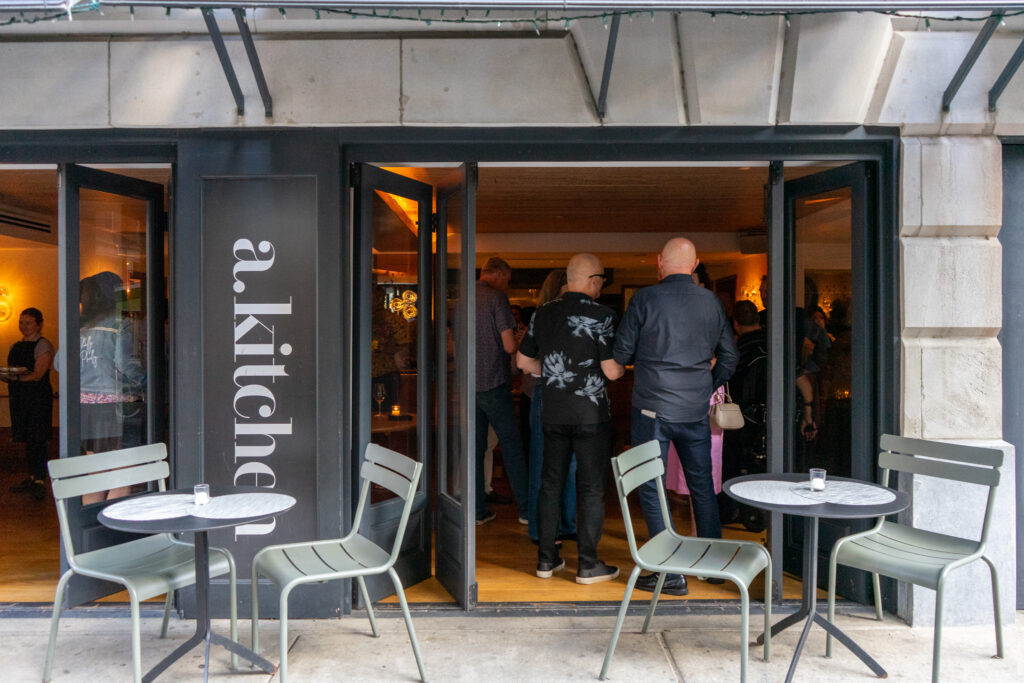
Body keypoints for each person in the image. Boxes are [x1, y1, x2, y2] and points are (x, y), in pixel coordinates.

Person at [613, 237, 738, 596]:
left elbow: (621, 353)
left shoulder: (644, 299)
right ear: (695, 264)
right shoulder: (711, 302)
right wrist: (705, 386)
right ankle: (713, 566)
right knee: (702, 485)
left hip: (652, 407)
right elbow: (730, 357)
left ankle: (667, 572)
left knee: (651, 485)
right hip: (694, 410)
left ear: (659, 262)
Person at [518, 253, 623, 583]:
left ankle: (546, 560)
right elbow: (611, 370)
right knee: (591, 488)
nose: (601, 286)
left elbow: (523, 361)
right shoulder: (603, 315)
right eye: (601, 280)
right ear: (592, 280)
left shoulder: (543, 313)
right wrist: (621, 369)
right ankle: (588, 565)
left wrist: (555, 373)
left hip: (553, 412)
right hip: (591, 415)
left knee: (550, 484)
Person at [79, 271, 146, 505]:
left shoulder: (80, 327)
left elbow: (59, 363)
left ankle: (90, 526)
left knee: (95, 476)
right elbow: (125, 364)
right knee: (123, 476)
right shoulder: (120, 324)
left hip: (86, 409)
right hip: (117, 407)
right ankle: (112, 526)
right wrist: (147, 382)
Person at [523, 269, 577, 544]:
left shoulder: (544, 316)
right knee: (558, 463)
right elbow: (523, 362)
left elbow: (525, 362)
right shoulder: (550, 317)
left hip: (550, 393)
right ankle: (552, 526)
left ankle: (556, 526)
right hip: (558, 394)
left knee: (555, 463)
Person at [474, 257, 528, 525]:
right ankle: (527, 510)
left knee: (476, 449)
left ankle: (477, 511)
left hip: (468, 385)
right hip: (494, 382)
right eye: (506, 278)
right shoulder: (496, 298)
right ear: (497, 273)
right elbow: (508, 346)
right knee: (512, 446)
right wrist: (517, 344)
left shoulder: (462, 299)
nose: (506, 284)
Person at [3, 308, 55, 500]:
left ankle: (40, 479)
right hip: (20, 398)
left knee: (37, 437)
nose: (23, 326)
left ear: (38, 325)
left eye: (28, 323)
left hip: (37, 398)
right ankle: (32, 476)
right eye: (21, 322)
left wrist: (16, 378)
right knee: (26, 436)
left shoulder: (43, 345)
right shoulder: (15, 345)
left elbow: (38, 374)